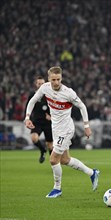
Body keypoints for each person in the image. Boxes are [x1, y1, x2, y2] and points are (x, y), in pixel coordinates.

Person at [24, 66, 100, 198]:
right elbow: (32, 101)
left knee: (53, 160)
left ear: (61, 78)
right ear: (49, 79)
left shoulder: (68, 92)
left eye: (58, 79)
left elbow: (82, 106)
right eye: (53, 80)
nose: (56, 82)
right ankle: (92, 173)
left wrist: (86, 126)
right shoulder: (45, 88)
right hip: (56, 129)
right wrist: (27, 117)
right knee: (65, 160)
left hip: (66, 130)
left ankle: (57, 189)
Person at [25, 76, 53, 163]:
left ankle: (53, 162)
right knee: (34, 138)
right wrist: (27, 119)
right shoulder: (32, 95)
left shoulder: (49, 95)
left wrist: (52, 116)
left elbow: (54, 108)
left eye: (42, 83)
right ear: (36, 84)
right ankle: (42, 150)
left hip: (48, 122)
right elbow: (27, 107)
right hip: (36, 122)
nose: (41, 85)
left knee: (50, 145)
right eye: (39, 83)